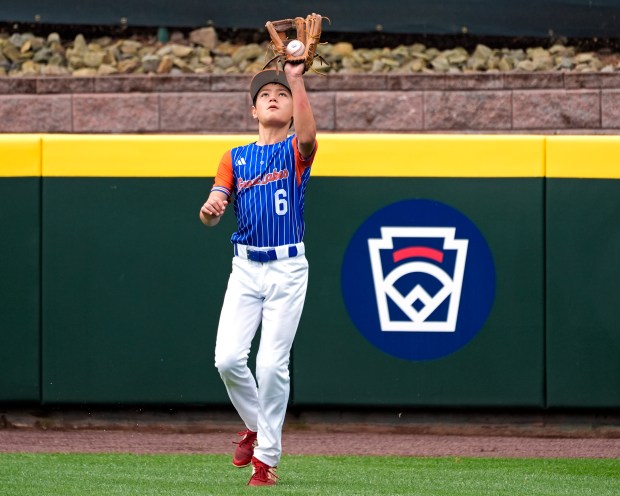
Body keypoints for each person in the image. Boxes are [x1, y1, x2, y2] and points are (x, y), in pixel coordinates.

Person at [199, 62, 317, 487]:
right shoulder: (235, 156)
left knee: (270, 364)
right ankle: (255, 425)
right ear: (253, 110)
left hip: (287, 268)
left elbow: (307, 136)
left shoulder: (295, 151)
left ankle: (265, 462)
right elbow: (216, 203)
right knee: (227, 359)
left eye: (280, 94)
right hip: (246, 266)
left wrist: (296, 78)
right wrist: (210, 212)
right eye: (265, 94)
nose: (272, 96)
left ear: (291, 109)